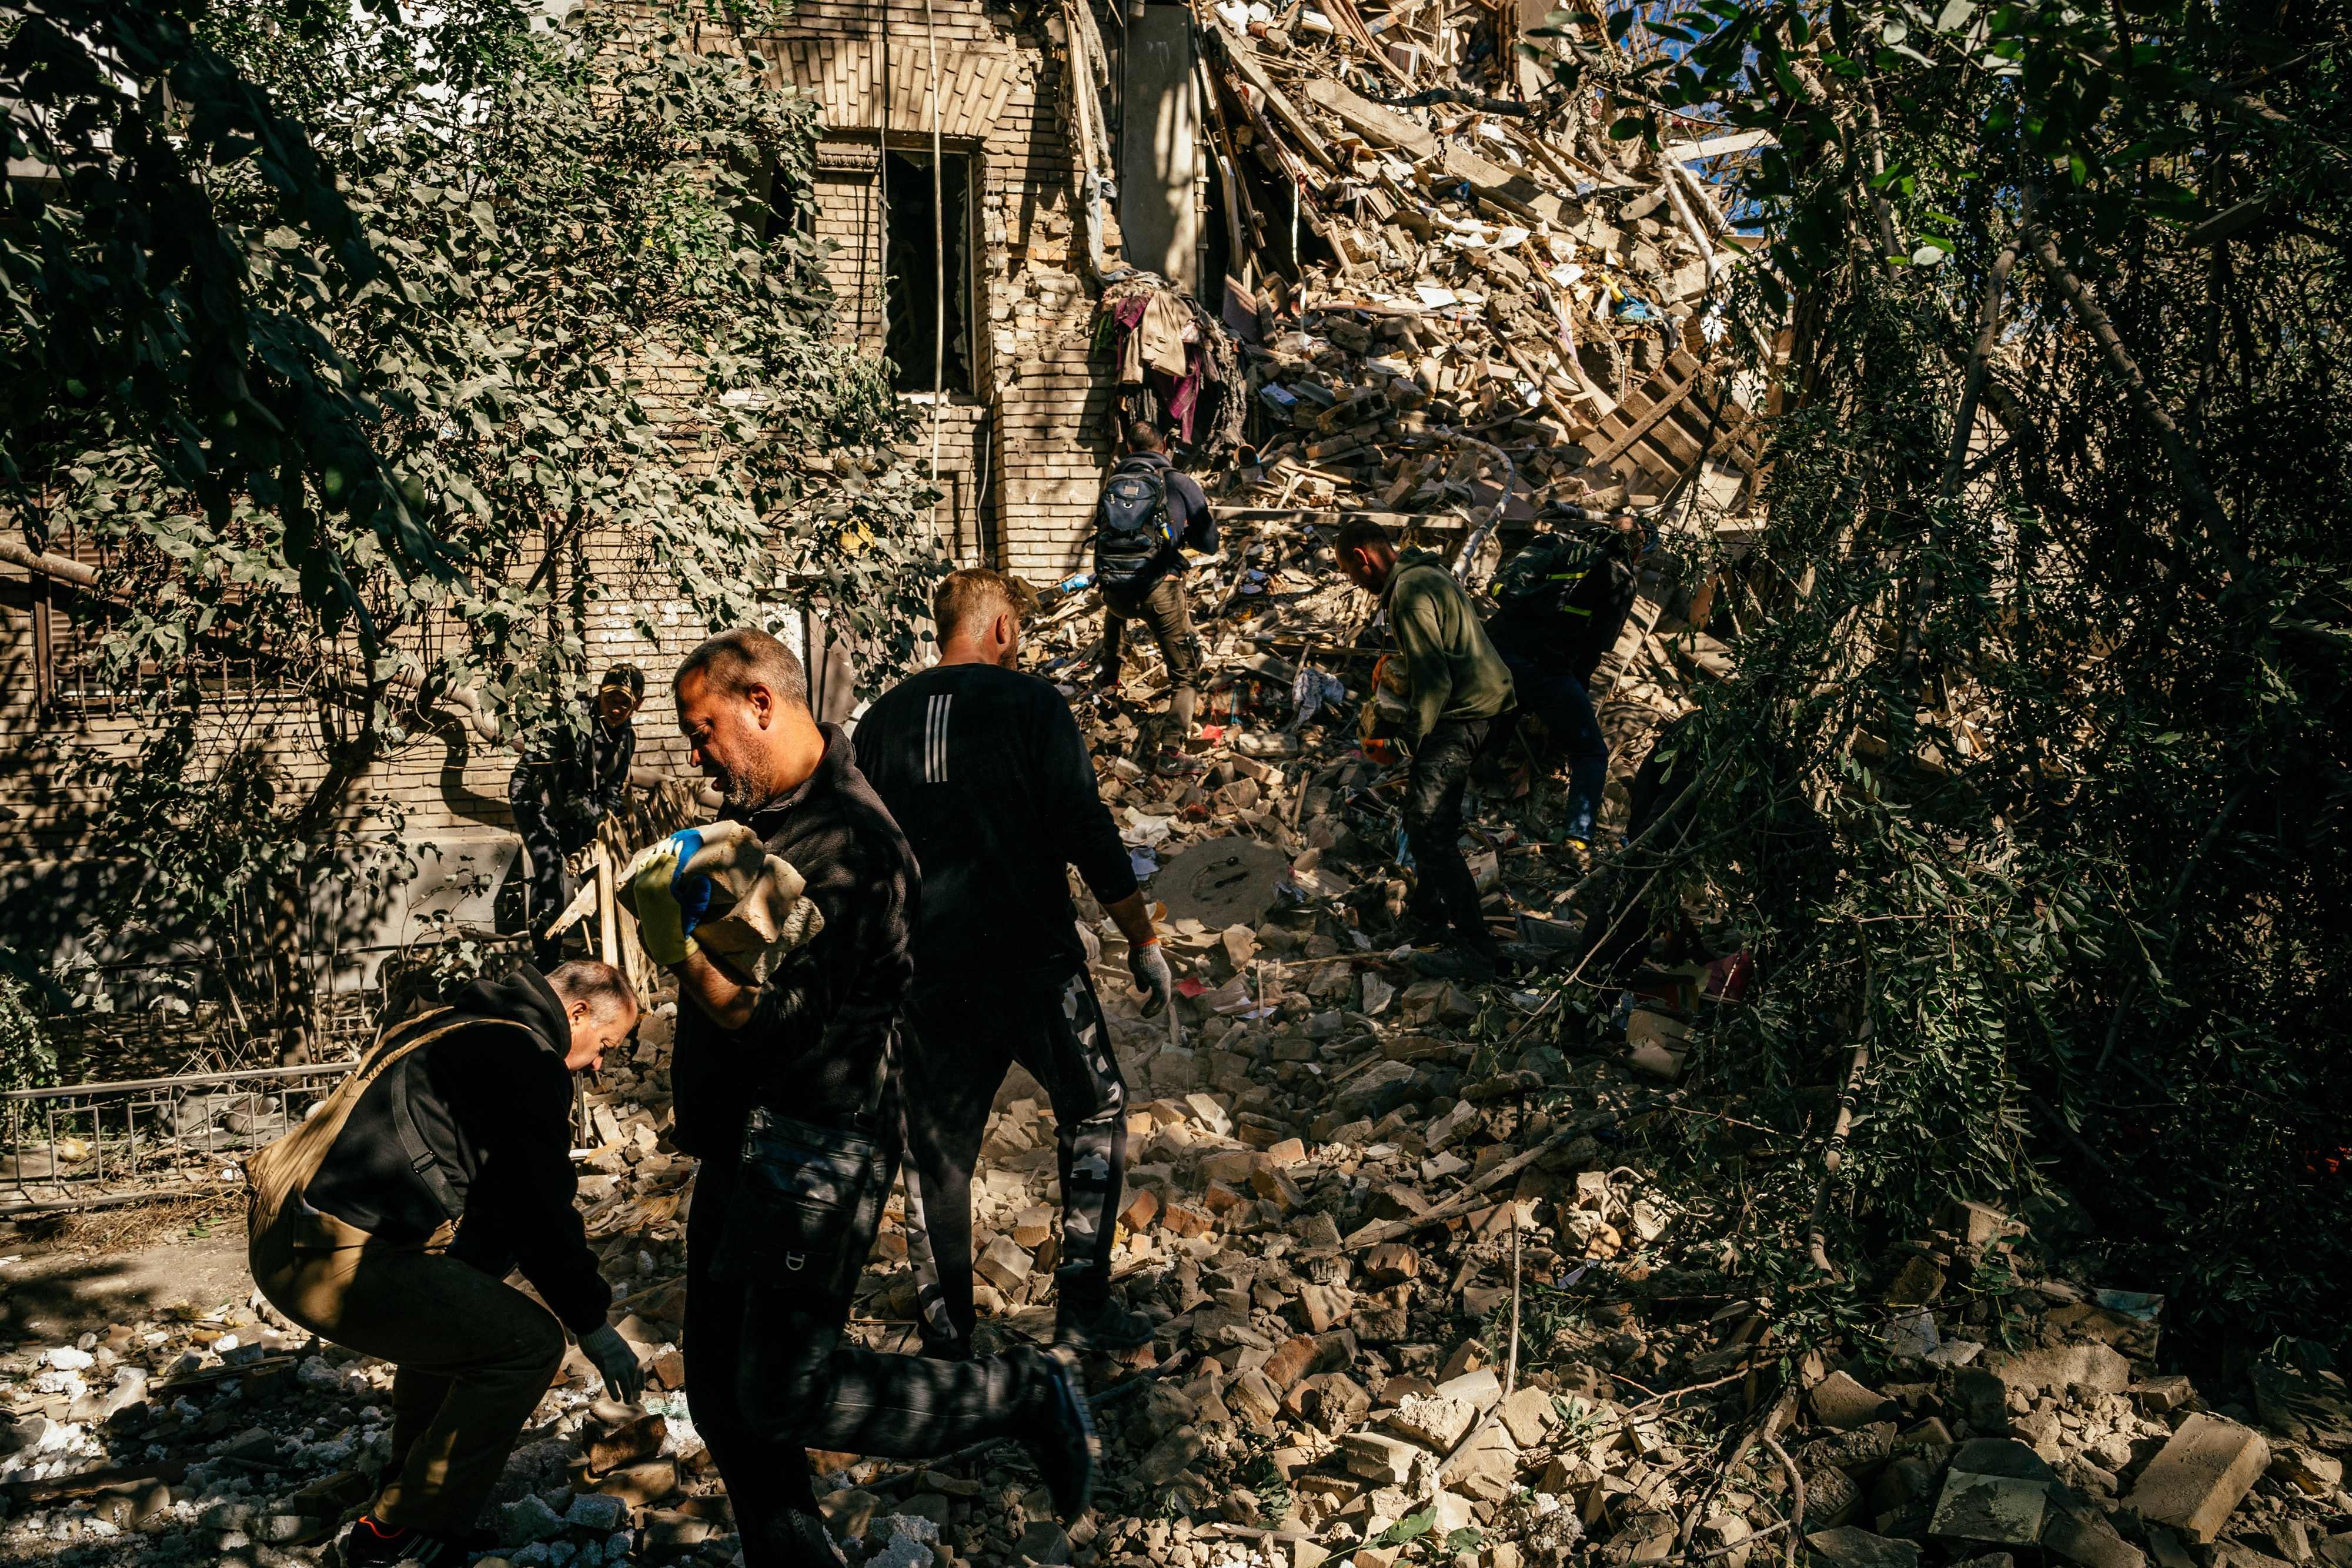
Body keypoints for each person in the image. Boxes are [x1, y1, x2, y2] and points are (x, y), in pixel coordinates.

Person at [629, 629, 1098, 1568]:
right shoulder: (771, 819)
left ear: (762, 703)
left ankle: (1022, 1392)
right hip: (744, 1146)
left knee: (786, 1392)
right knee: (723, 1398)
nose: (696, 754)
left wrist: (674, 943)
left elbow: (778, 1027)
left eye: (704, 728)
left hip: (815, 1152)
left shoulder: (857, 844)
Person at [854, 570, 1174, 1362]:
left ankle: (946, 1340)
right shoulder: (1033, 705)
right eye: (1018, 631)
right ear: (1000, 629)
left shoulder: (884, 720)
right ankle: (1083, 1310)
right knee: (1095, 1109)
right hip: (1034, 963)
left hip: (926, 976)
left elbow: (857, 849)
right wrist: (1141, 936)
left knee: (935, 1151)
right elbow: (1084, 824)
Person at [245, 961, 646, 1568]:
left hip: (287, 1232)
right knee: (529, 1346)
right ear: (578, 1014)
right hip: (326, 1257)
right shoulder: (527, 1058)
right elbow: (538, 1209)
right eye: (605, 1047)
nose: (598, 1064)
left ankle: (404, 1477)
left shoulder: (455, 1022)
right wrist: (591, 1326)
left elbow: (491, 1208)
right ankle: (401, 1529)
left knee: (464, 1306)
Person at [1333, 518, 1518, 981]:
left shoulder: (1409, 595)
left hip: (1464, 714)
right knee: (1430, 821)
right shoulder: (1425, 573)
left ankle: (1475, 949)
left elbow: (1434, 680)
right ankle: (1426, 915)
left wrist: (1406, 741)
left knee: (1429, 828)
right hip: (1486, 705)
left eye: (1353, 575)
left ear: (1363, 558)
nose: (1357, 585)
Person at [1482, 510, 1642, 853]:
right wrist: (1573, 699)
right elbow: (1595, 648)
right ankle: (1578, 839)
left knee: (1510, 701)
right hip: (1546, 667)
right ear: (1637, 547)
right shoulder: (1621, 578)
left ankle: (1482, 764)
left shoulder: (1558, 549)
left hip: (1496, 650)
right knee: (1591, 752)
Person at [1093, 420, 1216, 776]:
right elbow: (1210, 545)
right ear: (1165, 446)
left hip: (1115, 594)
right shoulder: (1178, 482)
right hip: (1159, 591)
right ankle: (1171, 752)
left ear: (1129, 449)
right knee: (1185, 675)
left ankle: (1108, 683)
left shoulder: (1112, 484)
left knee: (1115, 608)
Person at [509, 664, 646, 966]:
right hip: (535, 795)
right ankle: (546, 958)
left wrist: (612, 824)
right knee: (551, 868)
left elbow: (611, 790)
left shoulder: (626, 739)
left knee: (599, 868)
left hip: (574, 804)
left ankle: (617, 950)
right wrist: (601, 822)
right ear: (600, 695)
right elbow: (571, 795)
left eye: (626, 702)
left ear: (638, 704)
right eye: (612, 699)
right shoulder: (576, 724)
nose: (617, 708)